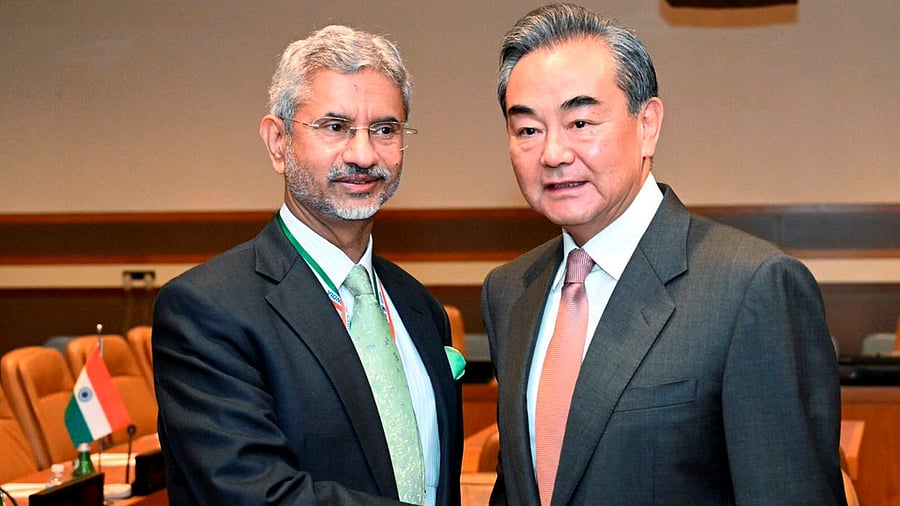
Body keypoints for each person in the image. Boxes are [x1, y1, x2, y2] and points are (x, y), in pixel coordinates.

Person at [481, 4, 845, 505]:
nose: (554, 153)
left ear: (647, 124)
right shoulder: (509, 291)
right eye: (528, 130)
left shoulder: (752, 287)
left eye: (581, 121)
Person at [152, 25, 462, 505]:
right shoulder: (207, 310)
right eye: (335, 127)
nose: (363, 154)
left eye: (385, 129)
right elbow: (257, 494)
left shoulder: (419, 308)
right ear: (278, 143)